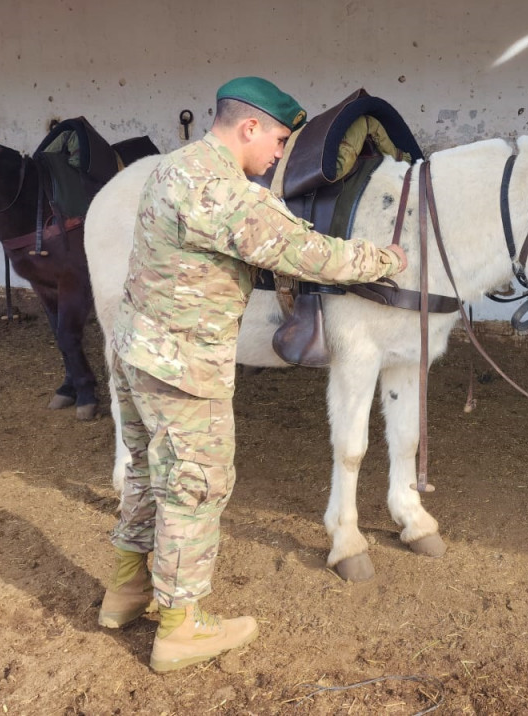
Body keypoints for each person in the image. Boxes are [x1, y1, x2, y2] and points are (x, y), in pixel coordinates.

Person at [97, 77, 408, 673]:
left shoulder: (170, 167)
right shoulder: (227, 194)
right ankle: (181, 626)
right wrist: (384, 259)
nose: (279, 154)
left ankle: (125, 590)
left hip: (136, 354)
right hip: (184, 365)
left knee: (145, 471)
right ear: (249, 128)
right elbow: (309, 254)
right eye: (279, 139)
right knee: (195, 484)